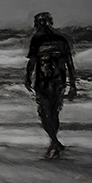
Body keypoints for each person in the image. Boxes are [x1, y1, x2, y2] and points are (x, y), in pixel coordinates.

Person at [25, 12, 77, 160]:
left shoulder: (57, 40)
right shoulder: (43, 40)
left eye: (43, 21)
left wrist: (72, 84)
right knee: (47, 112)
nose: (42, 24)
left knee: (50, 112)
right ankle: (55, 142)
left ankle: (54, 143)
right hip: (46, 81)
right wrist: (28, 77)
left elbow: (69, 63)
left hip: (54, 81)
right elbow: (33, 61)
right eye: (40, 22)